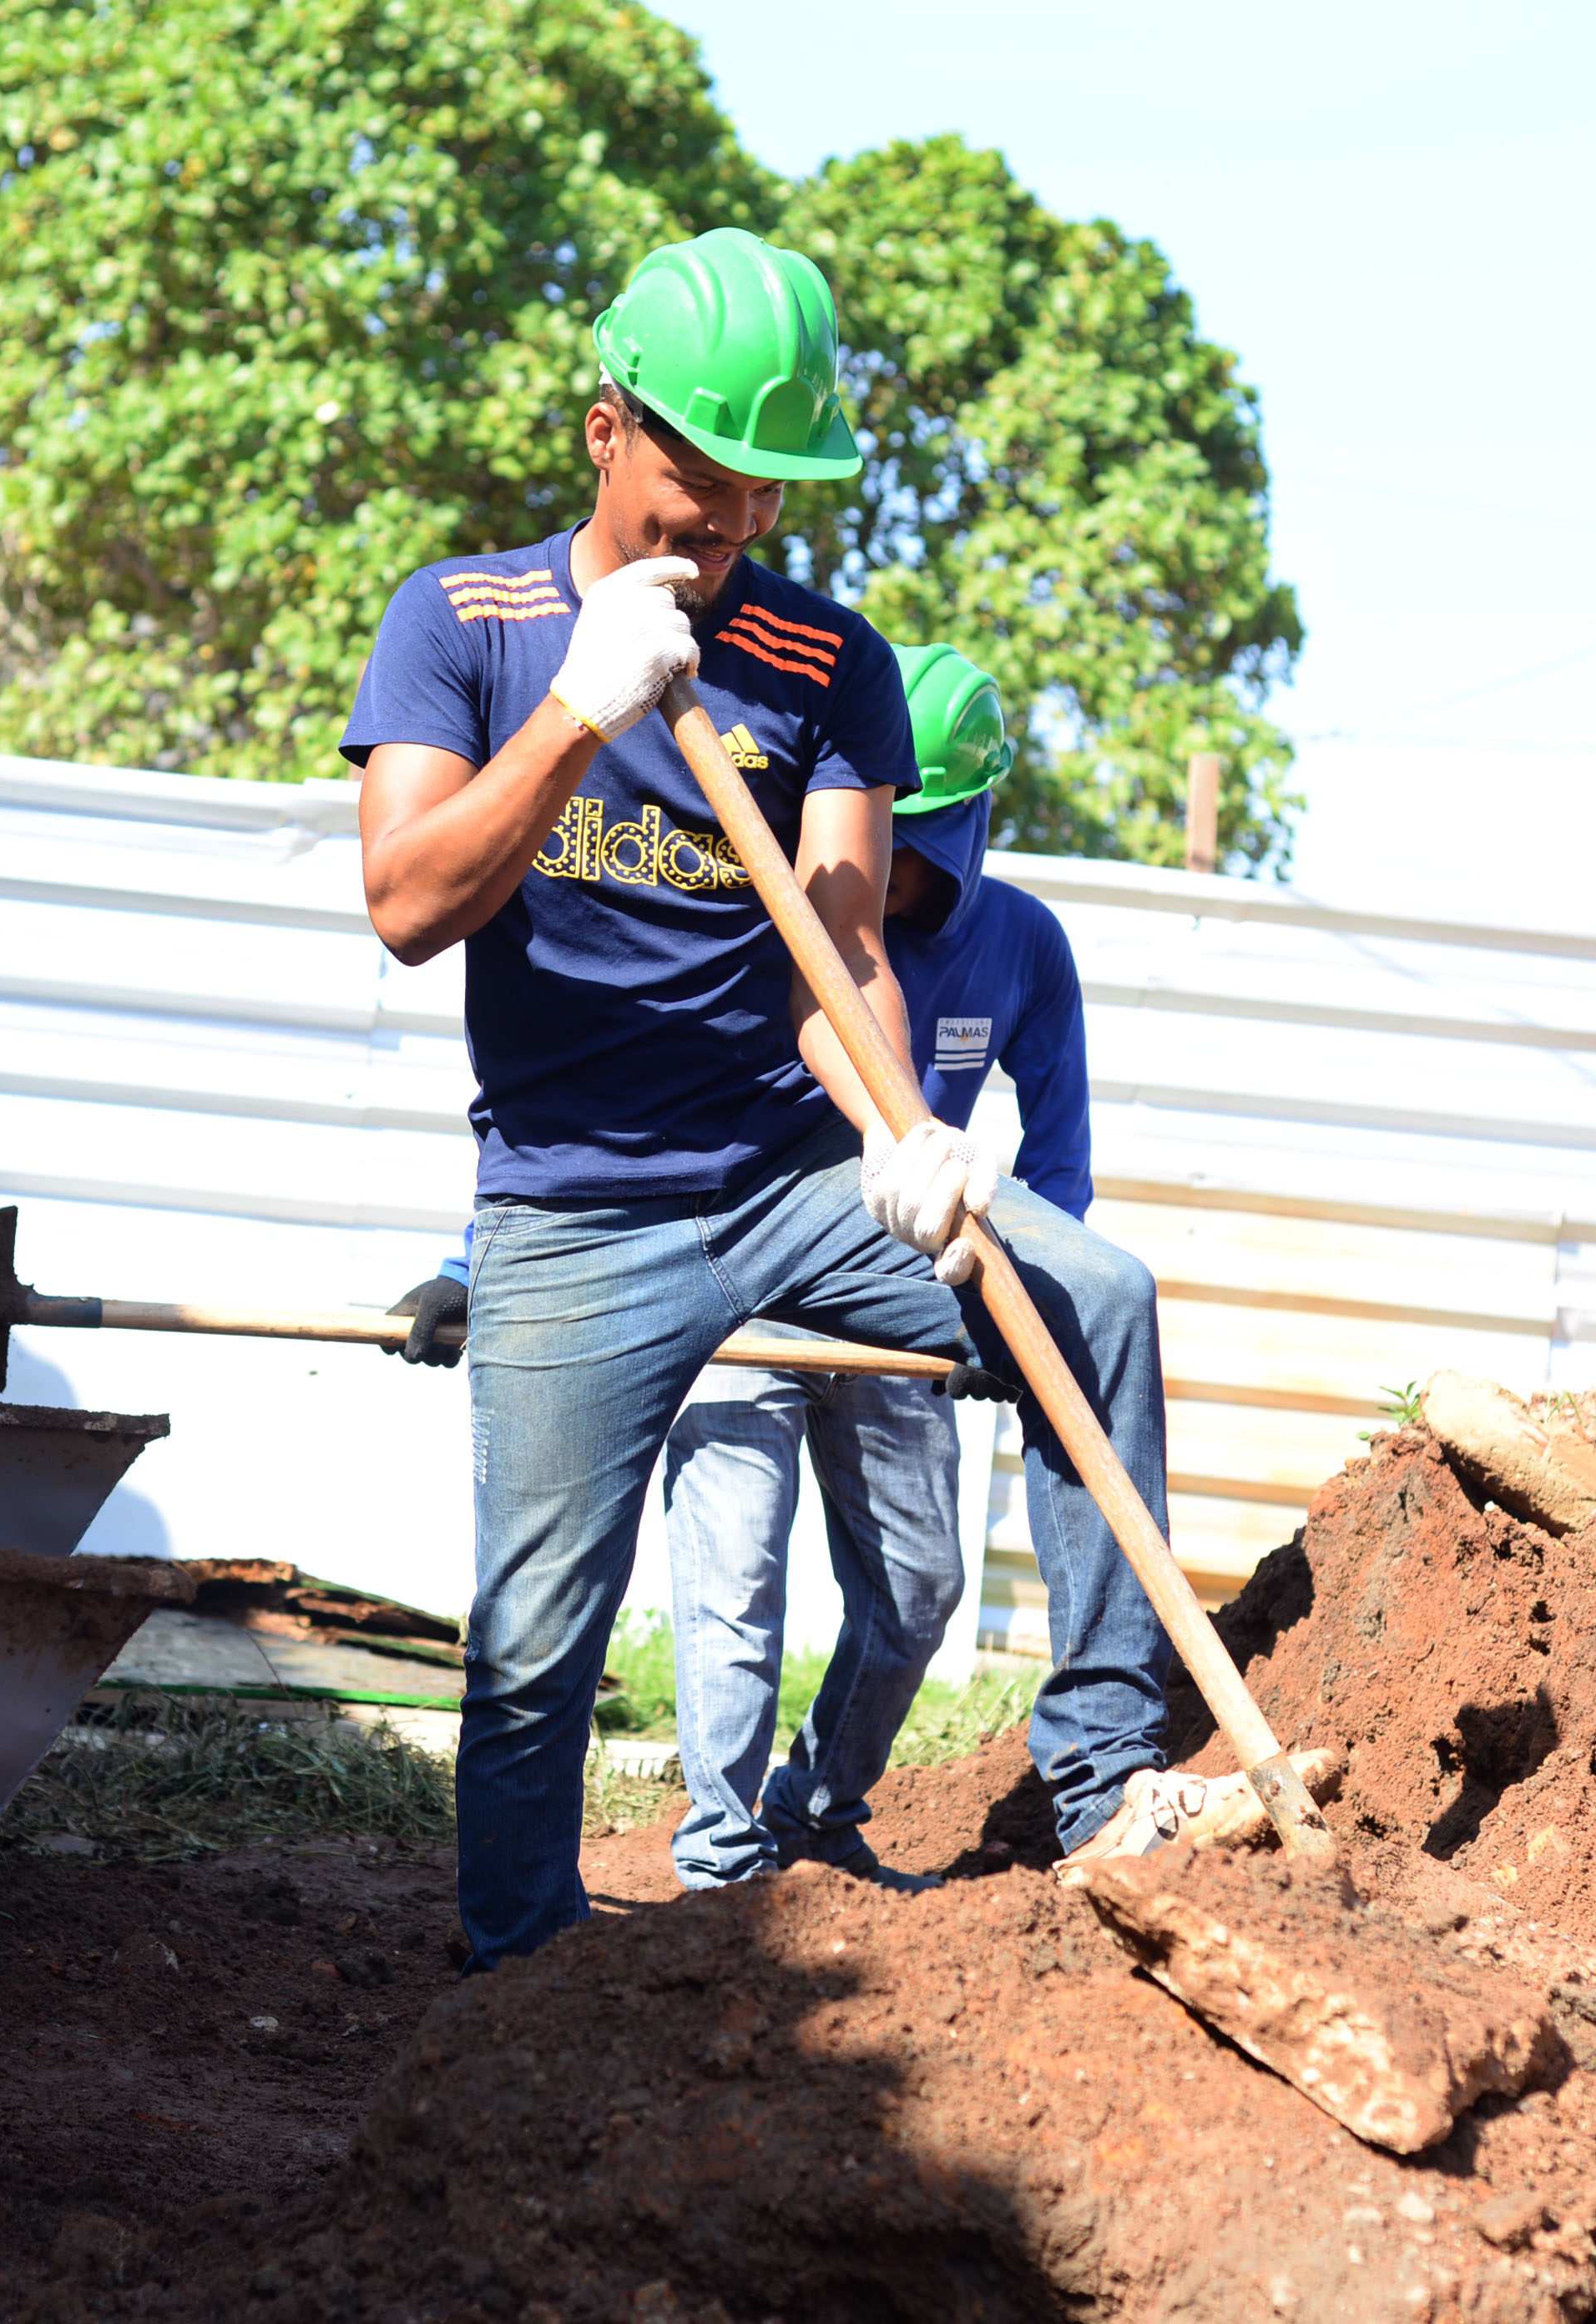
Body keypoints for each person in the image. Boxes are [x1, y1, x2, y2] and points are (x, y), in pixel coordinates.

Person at [345, 225, 1237, 1970]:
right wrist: (573, 720)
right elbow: (404, 907)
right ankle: (514, 1985)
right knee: (531, 1647)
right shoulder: (462, 623)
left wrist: (900, 1133)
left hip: (786, 1177)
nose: (738, 521)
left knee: (1097, 1299)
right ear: (604, 429)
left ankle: (1103, 1776)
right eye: (705, 475)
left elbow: (841, 948)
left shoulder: (831, 664)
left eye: (772, 489)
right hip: (569, 1203)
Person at [655, 642, 1094, 1894]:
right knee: (733, 1590)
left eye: (919, 832)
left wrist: (1027, 1315)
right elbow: (619, 1102)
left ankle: (816, 1804)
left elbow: (1058, 1164)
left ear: (967, 822)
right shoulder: (772, 905)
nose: (889, 859)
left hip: (897, 1290)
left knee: (920, 1588)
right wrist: (472, 1259)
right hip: (741, 1283)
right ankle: (722, 1863)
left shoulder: (1021, 947)